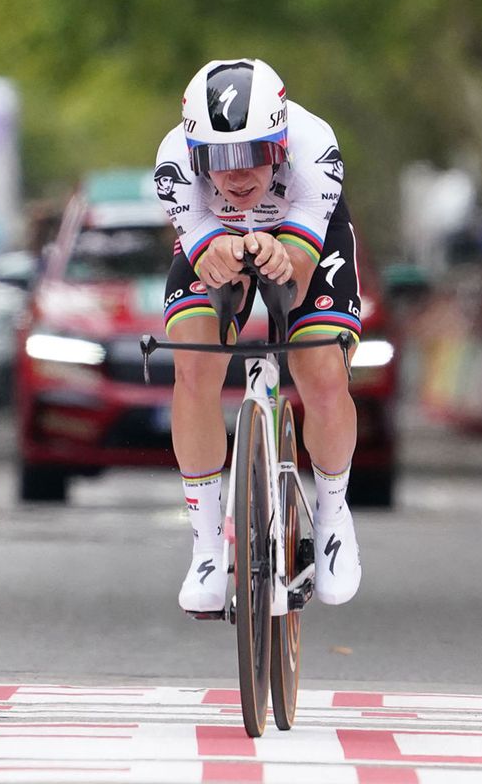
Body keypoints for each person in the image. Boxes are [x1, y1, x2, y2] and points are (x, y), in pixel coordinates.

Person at [155, 58, 363, 612]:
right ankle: (205, 544)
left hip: (305, 229)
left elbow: (295, 273)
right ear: (195, 153)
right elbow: (203, 257)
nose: (238, 174)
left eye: (253, 154)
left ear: (280, 144)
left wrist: (281, 257)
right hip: (214, 233)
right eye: (218, 160)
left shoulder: (316, 147)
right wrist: (215, 254)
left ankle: (333, 515)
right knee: (194, 366)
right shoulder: (172, 164)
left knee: (320, 370)